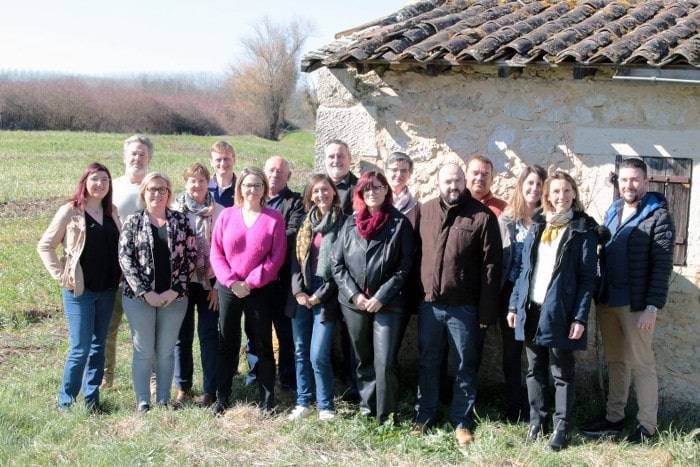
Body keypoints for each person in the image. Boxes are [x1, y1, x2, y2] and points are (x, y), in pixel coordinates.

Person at [582, 158, 675, 443]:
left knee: (642, 364)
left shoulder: (658, 216)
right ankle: (614, 418)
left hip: (636, 305)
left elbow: (662, 266)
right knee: (616, 362)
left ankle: (647, 427)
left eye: (635, 180)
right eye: (624, 180)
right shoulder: (613, 210)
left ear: (646, 182)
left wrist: (651, 307)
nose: (629, 185)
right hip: (608, 300)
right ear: (618, 182)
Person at [507, 171, 600, 451]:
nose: (561, 197)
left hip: (561, 311)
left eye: (566, 191)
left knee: (561, 371)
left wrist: (579, 316)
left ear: (574, 194)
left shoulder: (583, 229)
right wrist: (514, 304)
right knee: (534, 370)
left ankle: (561, 428)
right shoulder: (537, 225)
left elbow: (587, 280)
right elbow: (524, 270)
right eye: (555, 191)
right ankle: (537, 421)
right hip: (531, 308)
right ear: (547, 195)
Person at [414, 163, 502, 446]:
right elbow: (416, 255)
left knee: (465, 364)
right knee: (428, 362)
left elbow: (492, 267)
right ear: (438, 183)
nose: (453, 187)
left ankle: (461, 420)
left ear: (465, 182)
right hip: (430, 305)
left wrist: (487, 311)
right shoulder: (424, 211)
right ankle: (425, 414)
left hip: (465, 308)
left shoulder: (482, 216)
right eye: (447, 182)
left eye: (458, 181)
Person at [331, 171, 416, 424]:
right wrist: (355, 294)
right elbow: (337, 265)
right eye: (367, 188)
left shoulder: (399, 223)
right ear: (360, 192)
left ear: (386, 191)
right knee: (363, 359)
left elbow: (405, 266)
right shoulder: (348, 223)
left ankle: (386, 416)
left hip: (388, 304)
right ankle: (368, 408)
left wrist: (381, 295)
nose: (372, 192)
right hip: (354, 304)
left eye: (378, 187)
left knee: (386, 361)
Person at [37, 162, 121, 411]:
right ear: (84, 182)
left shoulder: (112, 212)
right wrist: (61, 276)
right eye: (95, 179)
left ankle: (91, 400)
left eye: (105, 180)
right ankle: (66, 401)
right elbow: (45, 246)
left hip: (108, 290)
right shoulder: (70, 211)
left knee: (98, 347)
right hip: (79, 291)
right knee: (80, 348)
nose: (100, 184)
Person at [209, 167, 287, 416]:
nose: (251, 189)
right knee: (226, 343)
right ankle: (222, 397)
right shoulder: (227, 216)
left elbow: (276, 257)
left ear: (264, 188)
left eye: (257, 185)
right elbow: (216, 252)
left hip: (260, 290)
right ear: (239, 188)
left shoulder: (274, 218)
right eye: (247, 185)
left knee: (262, 342)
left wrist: (251, 283)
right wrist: (232, 282)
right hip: (229, 288)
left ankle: (267, 400)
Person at [119, 173, 196, 412]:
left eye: (162, 189)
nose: (157, 194)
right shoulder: (133, 222)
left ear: (169, 193)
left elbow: (191, 258)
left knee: (165, 351)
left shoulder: (181, 221)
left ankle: (163, 399)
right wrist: (145, 292)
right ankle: (143, 400)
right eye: (152, 189)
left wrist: (174, 290)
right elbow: (125, 258)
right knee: (143, 350)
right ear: (144, 192)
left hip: (174, 299)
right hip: (139, 299)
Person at [244, 156, 304, 391]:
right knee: (254, 330)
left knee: (285, 332)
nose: (275, 174)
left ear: (288, 176)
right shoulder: (252, 201)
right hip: (255, 280)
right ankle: (255, 375)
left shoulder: (296, 203)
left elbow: (291, 235)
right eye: (271, 170)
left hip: (281, 279)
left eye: (280, 171)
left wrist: (259, 246)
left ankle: (288, 379)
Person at [289, 174, 345, 421]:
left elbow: (342, 267)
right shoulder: (305, 223)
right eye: (316, 191)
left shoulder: (344, 223)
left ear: (333, 192)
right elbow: (296, 262)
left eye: (325, 190)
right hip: (302, 292)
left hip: (327, 294)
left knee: (318, 354)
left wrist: (318, 297)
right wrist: (299, 292)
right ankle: (303, 402)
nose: (320, 195)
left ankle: (325, 406)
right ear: (310, 196)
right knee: (300, 351)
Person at [102, 134, 154, 389]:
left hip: (145, 271)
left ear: (149, 158)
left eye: (142, 154)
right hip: (112, 268)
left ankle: (152, 379)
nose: (137, 158)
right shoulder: (111, 186)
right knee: (108, 327)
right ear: (124, 156)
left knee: (145, 330)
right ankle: (105, 378)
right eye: (133, 153)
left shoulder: (154, 186)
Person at [497, 165, 547, 422]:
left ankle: (535, 408)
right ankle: (513, 406)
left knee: (535, 354)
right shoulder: (506, 220)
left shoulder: (548, 221)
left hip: (537, 297)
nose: (534, 189)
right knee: (511, 354)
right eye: (530, 183)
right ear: (521, 186)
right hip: (509, 296)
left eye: (539, 185)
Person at [172, 163, 222, 407]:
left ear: (208, 183)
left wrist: (218, 285)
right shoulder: (175, 210)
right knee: (182, 336)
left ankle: (210, 389)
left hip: (210, 283)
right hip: (182, 282)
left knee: (209, 335)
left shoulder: (220, 211)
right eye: (192, 180)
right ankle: (183, 386)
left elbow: (226, 250)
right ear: (185, 182)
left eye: (202, 181)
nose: (197, 185)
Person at [324, 139, 360, 401]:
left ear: (350, 160)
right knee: (325, 329)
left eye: (341, 156)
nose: (336, 161)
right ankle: (326, 383)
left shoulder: (360, 189)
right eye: (332, 157)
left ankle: (354, 387)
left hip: (350, 274)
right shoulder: (318, 187)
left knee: (351, 334)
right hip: (323, 275)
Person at [386, 152, 419, 226]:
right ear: (386, 172)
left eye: (403, 171)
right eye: (394, 170)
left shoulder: (417, 208)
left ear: (410, 174)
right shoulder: (374, 202)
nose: (399, 174)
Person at [208, 140, 236, 209]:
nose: (223, 164)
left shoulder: (242, 188)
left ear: (234, 160)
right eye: (218, 160)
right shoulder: (203, 187)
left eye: (226, 159)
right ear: (211, 162)